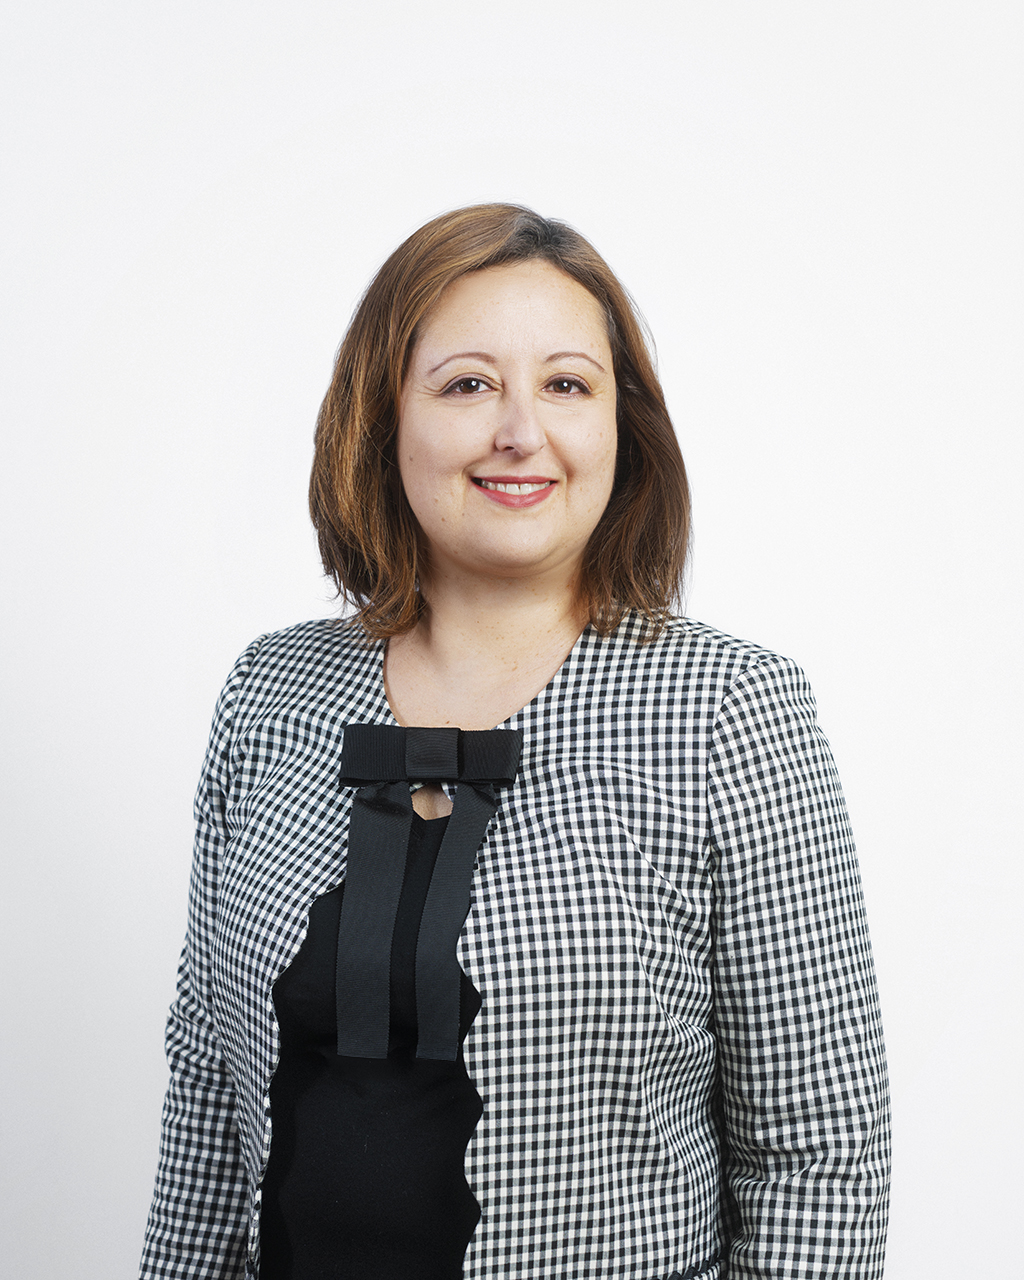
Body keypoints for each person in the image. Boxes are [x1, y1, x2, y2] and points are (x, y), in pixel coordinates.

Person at [140, 203, 890, 1280]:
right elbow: (209, 1100)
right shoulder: (271, 693)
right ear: (383, 416)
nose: (520, 432)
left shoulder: (729, 709)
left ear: (622, 424)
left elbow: (818, 1156)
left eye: (568, 385)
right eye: (468, 384)